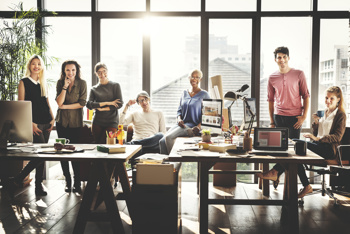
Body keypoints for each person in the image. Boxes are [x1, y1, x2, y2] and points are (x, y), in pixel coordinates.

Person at [257, 46, 311, 196]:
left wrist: (304, 116)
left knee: (292, 153)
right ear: (275, 60)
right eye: (279, 57)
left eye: (284, 57)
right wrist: (272, 121)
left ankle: (276, 172)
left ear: (288, 58)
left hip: (295, 118)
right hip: (279, 117)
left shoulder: (299, 74)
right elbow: (270, 100)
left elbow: (306, 96)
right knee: (281, 151)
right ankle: (281, 175)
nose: (281, 60)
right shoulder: (272, 77)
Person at [7, 55, 55, 196]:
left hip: (46, 122)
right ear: (29, 66)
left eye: (39, 64)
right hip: (34, 124)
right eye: (33, 64)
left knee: (43, 156)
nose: (36, 66)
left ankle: (37, 185)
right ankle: (19, 179)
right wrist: (30, 124)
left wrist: (52, 119)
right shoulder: (23, 82)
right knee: (40, 155)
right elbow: (20, 106)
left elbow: (46, 103)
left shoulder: (42, 82)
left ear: (41, 67)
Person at [159, 69, 210, 155]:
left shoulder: (204, 94)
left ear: (200, 79)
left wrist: (199, 126)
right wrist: (179, 119)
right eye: (192, 77)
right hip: (181, 124)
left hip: (192, 126)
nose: (194, 79)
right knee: (161, 141)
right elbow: (179, 110)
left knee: (169, 138)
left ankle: (174, 164)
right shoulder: (184, 93)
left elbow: (207, 114)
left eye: (197, 77)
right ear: (189, 78)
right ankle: (166, 166)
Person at [56, 60, 87, 193]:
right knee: (62, 152)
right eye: (68, 70)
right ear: (64, 71)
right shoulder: (60, 83)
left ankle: (77, 181)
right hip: (61, 122)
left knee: (74, 152)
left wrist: (65, 107)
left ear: (77, 70)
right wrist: (64, 86)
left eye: (73, 70)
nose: (71, 73)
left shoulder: (82, 83)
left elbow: (82, 103)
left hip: (76, 123)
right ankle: (67, 180)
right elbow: (59, 102)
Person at [120, 91, 166, 161]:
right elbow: (121, 123)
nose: (144, 102)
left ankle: (133, 144)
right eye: (141, 101)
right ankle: (136, 145)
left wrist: (150, 138)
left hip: (151, 143)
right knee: (137, 150)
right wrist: (126, 106)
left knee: (160, 135)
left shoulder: (158, 113)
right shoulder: (134, 114)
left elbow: (163, 133)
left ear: (149, 100)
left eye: (145, 99)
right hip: (138, 140)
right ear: (138, 103)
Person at [86, 62, 123, 144]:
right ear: (96, 74)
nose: (102, 74)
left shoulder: (115, 85)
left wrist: (103, 109)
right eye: (99, 72)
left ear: (107, 71)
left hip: (112, 121)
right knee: (97, 144)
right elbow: (89, 104)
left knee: (107, 143)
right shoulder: (94, 89)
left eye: (104, 71)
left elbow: (119, 104)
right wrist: (108, 102)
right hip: (97, 121)